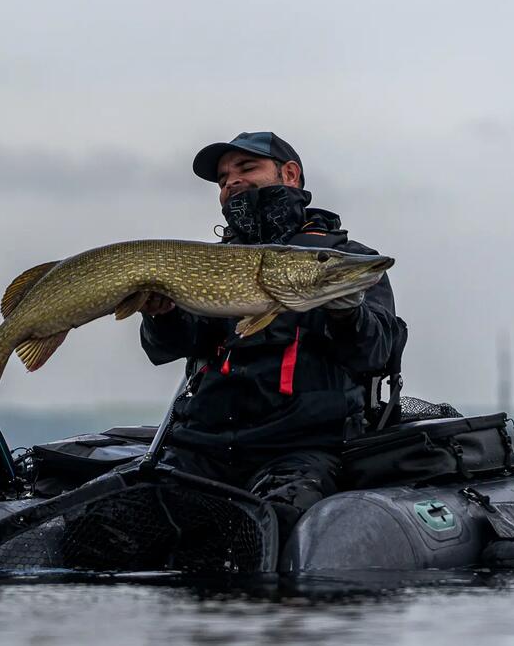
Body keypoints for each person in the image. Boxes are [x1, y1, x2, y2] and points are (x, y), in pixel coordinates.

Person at [134, 131, 403, 540]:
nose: (231, 183)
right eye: (223, 179)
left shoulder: (342, 262)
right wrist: (162, 315)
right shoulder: (215, 264)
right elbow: (169, 347)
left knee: (270, 528)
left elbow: (376, 354)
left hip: (298, 452)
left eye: (246, 168)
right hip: (204, 448)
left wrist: (348, 313)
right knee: (110, 526)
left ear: (290, 174)